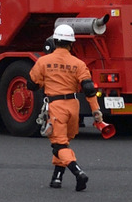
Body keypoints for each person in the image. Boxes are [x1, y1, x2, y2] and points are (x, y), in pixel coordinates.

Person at [30, 23, 109, 191]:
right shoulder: (78, 64)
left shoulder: (43, 61)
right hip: (74, 106)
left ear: (54, 41)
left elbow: (31, 84)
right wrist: (96, 111)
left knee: (59, 145)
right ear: (71, 43)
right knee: (64, 143)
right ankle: (56, 178)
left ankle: (78, 172)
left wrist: (46, 81)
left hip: (56, 106)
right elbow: (88, 89)